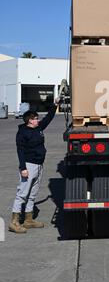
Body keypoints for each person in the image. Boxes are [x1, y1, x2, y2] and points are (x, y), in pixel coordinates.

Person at [9, 98, 61, 233]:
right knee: (22, 194)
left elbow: (48, 118)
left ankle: (28, 219)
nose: (38, 119)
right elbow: (20, 151)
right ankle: (14, 222)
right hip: (28, 166)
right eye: (36, 118)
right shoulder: (22, 133)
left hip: (39, 166)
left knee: (32, 194)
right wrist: (23, 168)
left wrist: (55, 105)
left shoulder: (38, 128)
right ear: (29, 120)